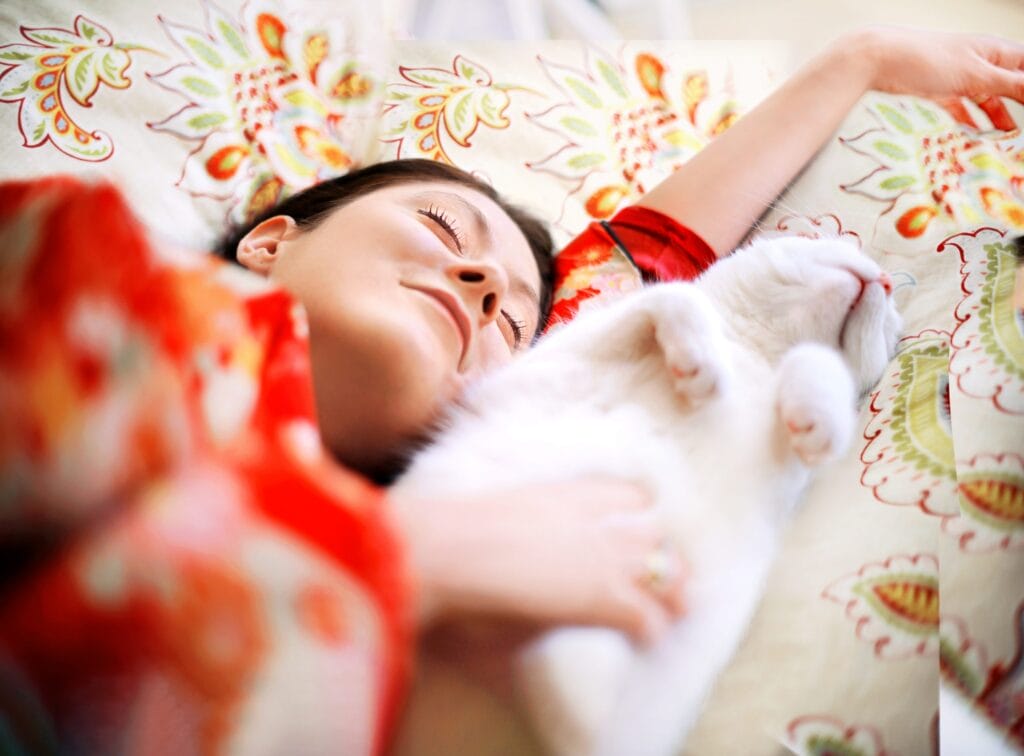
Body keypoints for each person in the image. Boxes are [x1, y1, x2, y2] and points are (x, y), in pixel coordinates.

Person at [0, 25, 1021, 755]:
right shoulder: (94, 278)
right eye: (443, 233)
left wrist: (861, 66)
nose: (485, 284)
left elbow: (634, 273)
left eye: (510, 316)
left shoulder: (428, 575)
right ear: (272, 239)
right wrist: (402, 561)